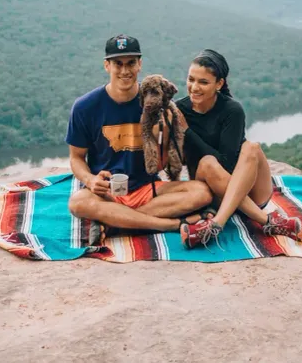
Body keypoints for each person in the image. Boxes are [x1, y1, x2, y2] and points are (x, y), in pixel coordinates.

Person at [66, 34, 213, 245]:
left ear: (140, 64)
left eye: (131, 63)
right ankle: (170, 225)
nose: (125, 71)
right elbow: (76, 158)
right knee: (78, 202)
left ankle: (115, 223)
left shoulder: (155, 101)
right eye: (118, 64)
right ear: (107, 66)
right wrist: (90, 180)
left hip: (147, 188)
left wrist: (162, 132)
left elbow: (160, 165)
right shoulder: (85, 107)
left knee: (202, 192)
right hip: (108, 192)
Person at [175, 49, 302, 249]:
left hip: (248, 192)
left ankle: (216, 224)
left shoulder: (231, 110)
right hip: (212, 194)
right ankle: (268, 221)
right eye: (191, 79)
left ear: (219, 84)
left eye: (203, 82)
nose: (194, 87)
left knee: (252, 147)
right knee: (208, 163)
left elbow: (226, 164)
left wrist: (188, 132)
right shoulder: (180, 110)